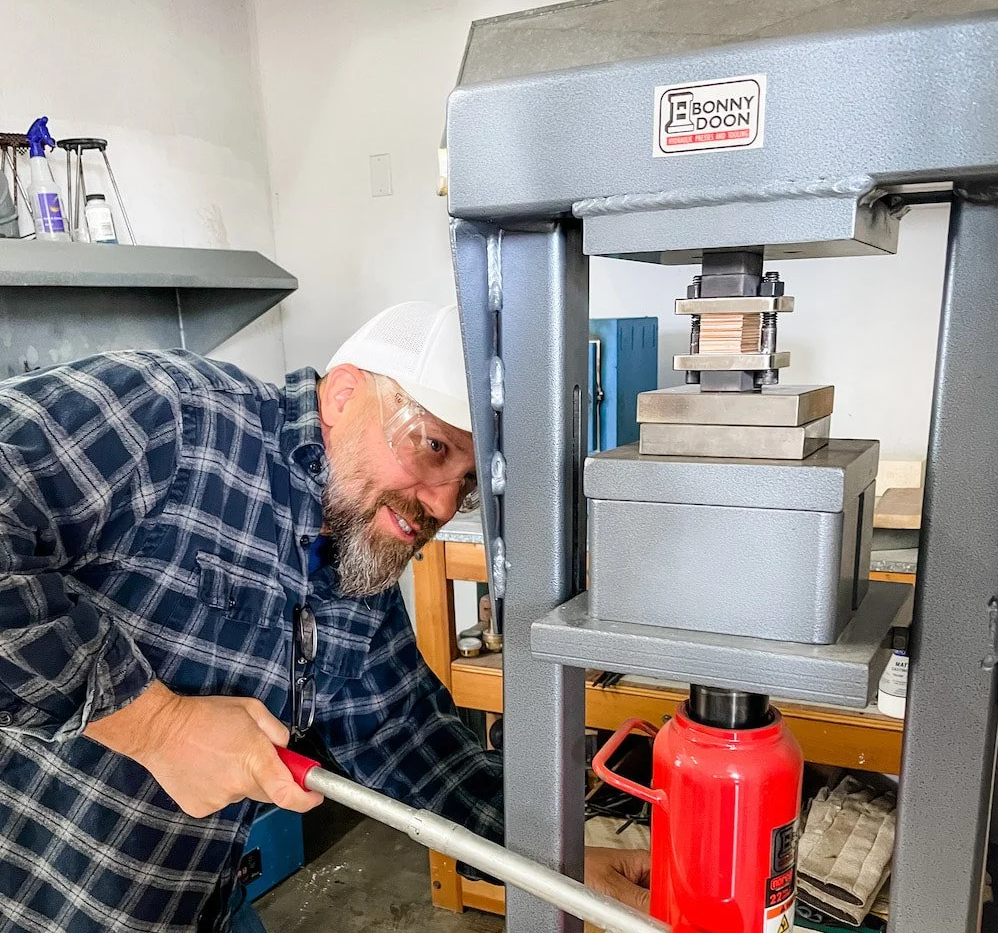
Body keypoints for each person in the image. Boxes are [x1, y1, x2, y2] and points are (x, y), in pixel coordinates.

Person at [0, 301, 649, 932]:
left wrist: (555, 867)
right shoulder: (175, 417)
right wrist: (157, 726)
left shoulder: (351, 552)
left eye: (470, 483)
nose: (446, 503)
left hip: (199, 904)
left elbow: (402, 734)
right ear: (343, 394)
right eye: (432, 447)